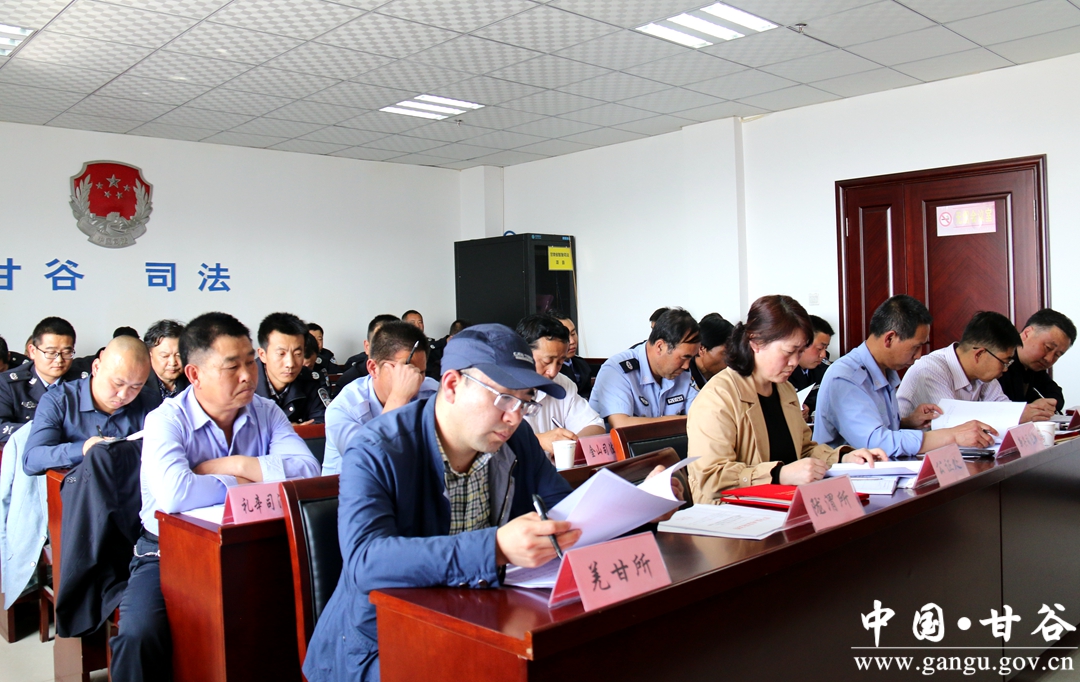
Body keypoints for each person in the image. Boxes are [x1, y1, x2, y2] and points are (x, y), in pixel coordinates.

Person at [110, 312, 321, 682]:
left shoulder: (266, 411)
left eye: (250, 363)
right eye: (232, 366)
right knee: (139, 634)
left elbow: (308, 472)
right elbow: (175, 493)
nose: (248, 376)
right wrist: (243, 481)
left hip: (254, 544)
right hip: (168, 554)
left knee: (300, 616)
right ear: (194, 374)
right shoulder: (166, 420)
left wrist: (234, 464)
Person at [688, 296, 885, 500]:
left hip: (784, 503)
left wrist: (844, 458)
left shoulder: (785, 390)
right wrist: (779, 475)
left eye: (800, 353)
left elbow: (804, 450)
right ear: (756, 342)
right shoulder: (717, 398)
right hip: (734, 511)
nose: (794, 362)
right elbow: (712, 478)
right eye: (789, 352)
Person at [813, 295, 996, 457]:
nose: (918, 356)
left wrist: (908, 423)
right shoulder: (845, 377)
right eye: (915, 347)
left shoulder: (884, 370)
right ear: (889, 338)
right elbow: (876, 443)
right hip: (849, 478)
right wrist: (952, 435)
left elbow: (877, 429)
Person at [321, 322, 439, 475]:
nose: (415, 380)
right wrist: (399, 397)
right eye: (405, 371)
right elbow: (371, 461)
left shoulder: (431, 391)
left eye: (421, 372)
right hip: (352, 486)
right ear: (373, 368)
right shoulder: (343, 408)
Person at [23, 336, 152, 475]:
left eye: (135, 387)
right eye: (118, 384)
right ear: (96, 367)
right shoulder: (59, 401)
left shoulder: (150, 401)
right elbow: (32, 459)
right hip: (79, 484)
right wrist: (83, 448)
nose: (123, 395)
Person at [897, 311, 1056, 424]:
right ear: (979, 354)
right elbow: (952, 421)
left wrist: (1029, 411)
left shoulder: (983, 376)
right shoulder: (930, 369)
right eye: (1004, 362)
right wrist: (1015, 416)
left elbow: (1003, 407)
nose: (1005, 369)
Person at [589, 308, 701, 428]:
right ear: (660, 347)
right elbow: (622, 425)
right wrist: (686, 420)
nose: (686, 366)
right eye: (684, 357)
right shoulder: (617, 370)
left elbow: (701, 416)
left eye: (691, 358)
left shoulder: (682, 373)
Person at [516, 315, 604, 454]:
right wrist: (539, 440)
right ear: (523, 353)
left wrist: (569, 446)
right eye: (546, 361)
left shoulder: (562, 383)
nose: (552, 372)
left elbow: (595, 425)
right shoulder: (499, 387)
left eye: (560, 363)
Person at [0, 317, 85, 446]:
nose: (59, 360)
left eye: (66, 352)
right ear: (32, 351)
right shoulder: (9, 383)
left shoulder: (84, 382)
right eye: (51, 352)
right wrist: (47, 432)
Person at [996, 308, 1075, 411]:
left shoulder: (1034, 367)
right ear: (1027, 333)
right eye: (1048, 348)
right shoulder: (998, 361)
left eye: (1057, 355)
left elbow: (1055, 394)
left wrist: (1045, 404)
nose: (1049, 359)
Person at [254, 312, 327, 424]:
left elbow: (321, 423)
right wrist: (287, 429)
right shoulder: (245, 383)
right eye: (281, 354)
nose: (290, 363)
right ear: (262, 355)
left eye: (297, 354)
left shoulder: (310, 381)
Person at [338, 314, 400, 391]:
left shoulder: (410, 372)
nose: (388, 349)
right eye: (380, 343)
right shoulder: (349, 381)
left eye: (395, 343)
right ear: (367, 347)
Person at [789, 315, 833, 421]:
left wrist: (808, 407)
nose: (823, 355)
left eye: (825, 348)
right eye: (819, 348)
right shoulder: (782, 372)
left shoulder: (825, 369)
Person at [140, 320, 188, 409]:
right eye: (165, 356)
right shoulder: (138, 385)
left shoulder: (193, 382)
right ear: (150, 355)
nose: (173, 363)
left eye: (179, 355)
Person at [550, 310, 592, 399]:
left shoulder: (582, 364)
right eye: (565, 336)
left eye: (573, 333)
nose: (572, 341)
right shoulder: (550, 370)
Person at [689, 313, 734, 396]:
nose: (731, 359)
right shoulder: (682, 379)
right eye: (725, 353)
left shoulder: (724, 379)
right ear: (701, 349)